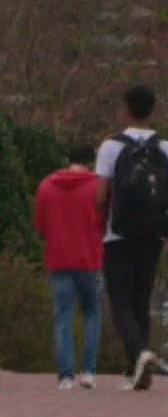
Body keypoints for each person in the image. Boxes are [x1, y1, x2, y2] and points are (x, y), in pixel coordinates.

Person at [97, 84, 168, 391]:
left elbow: (100, 193)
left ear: (125, 108)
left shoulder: (111, 147)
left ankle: (139, 354)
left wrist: (99, 223)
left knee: (120, 301)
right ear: (153, 110)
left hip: (118, 232)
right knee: (141, 298)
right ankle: (135, 371)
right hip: (153, 234)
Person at [33, 143, 105, 390]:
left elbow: (40, 225)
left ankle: (65, 376)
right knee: (92, 314)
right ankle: (88, 371)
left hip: (58, 259)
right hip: (89, 259)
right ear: (91, 162)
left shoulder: (46, 186)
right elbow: (104, 222)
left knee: (62, 317)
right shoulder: (97, 187)